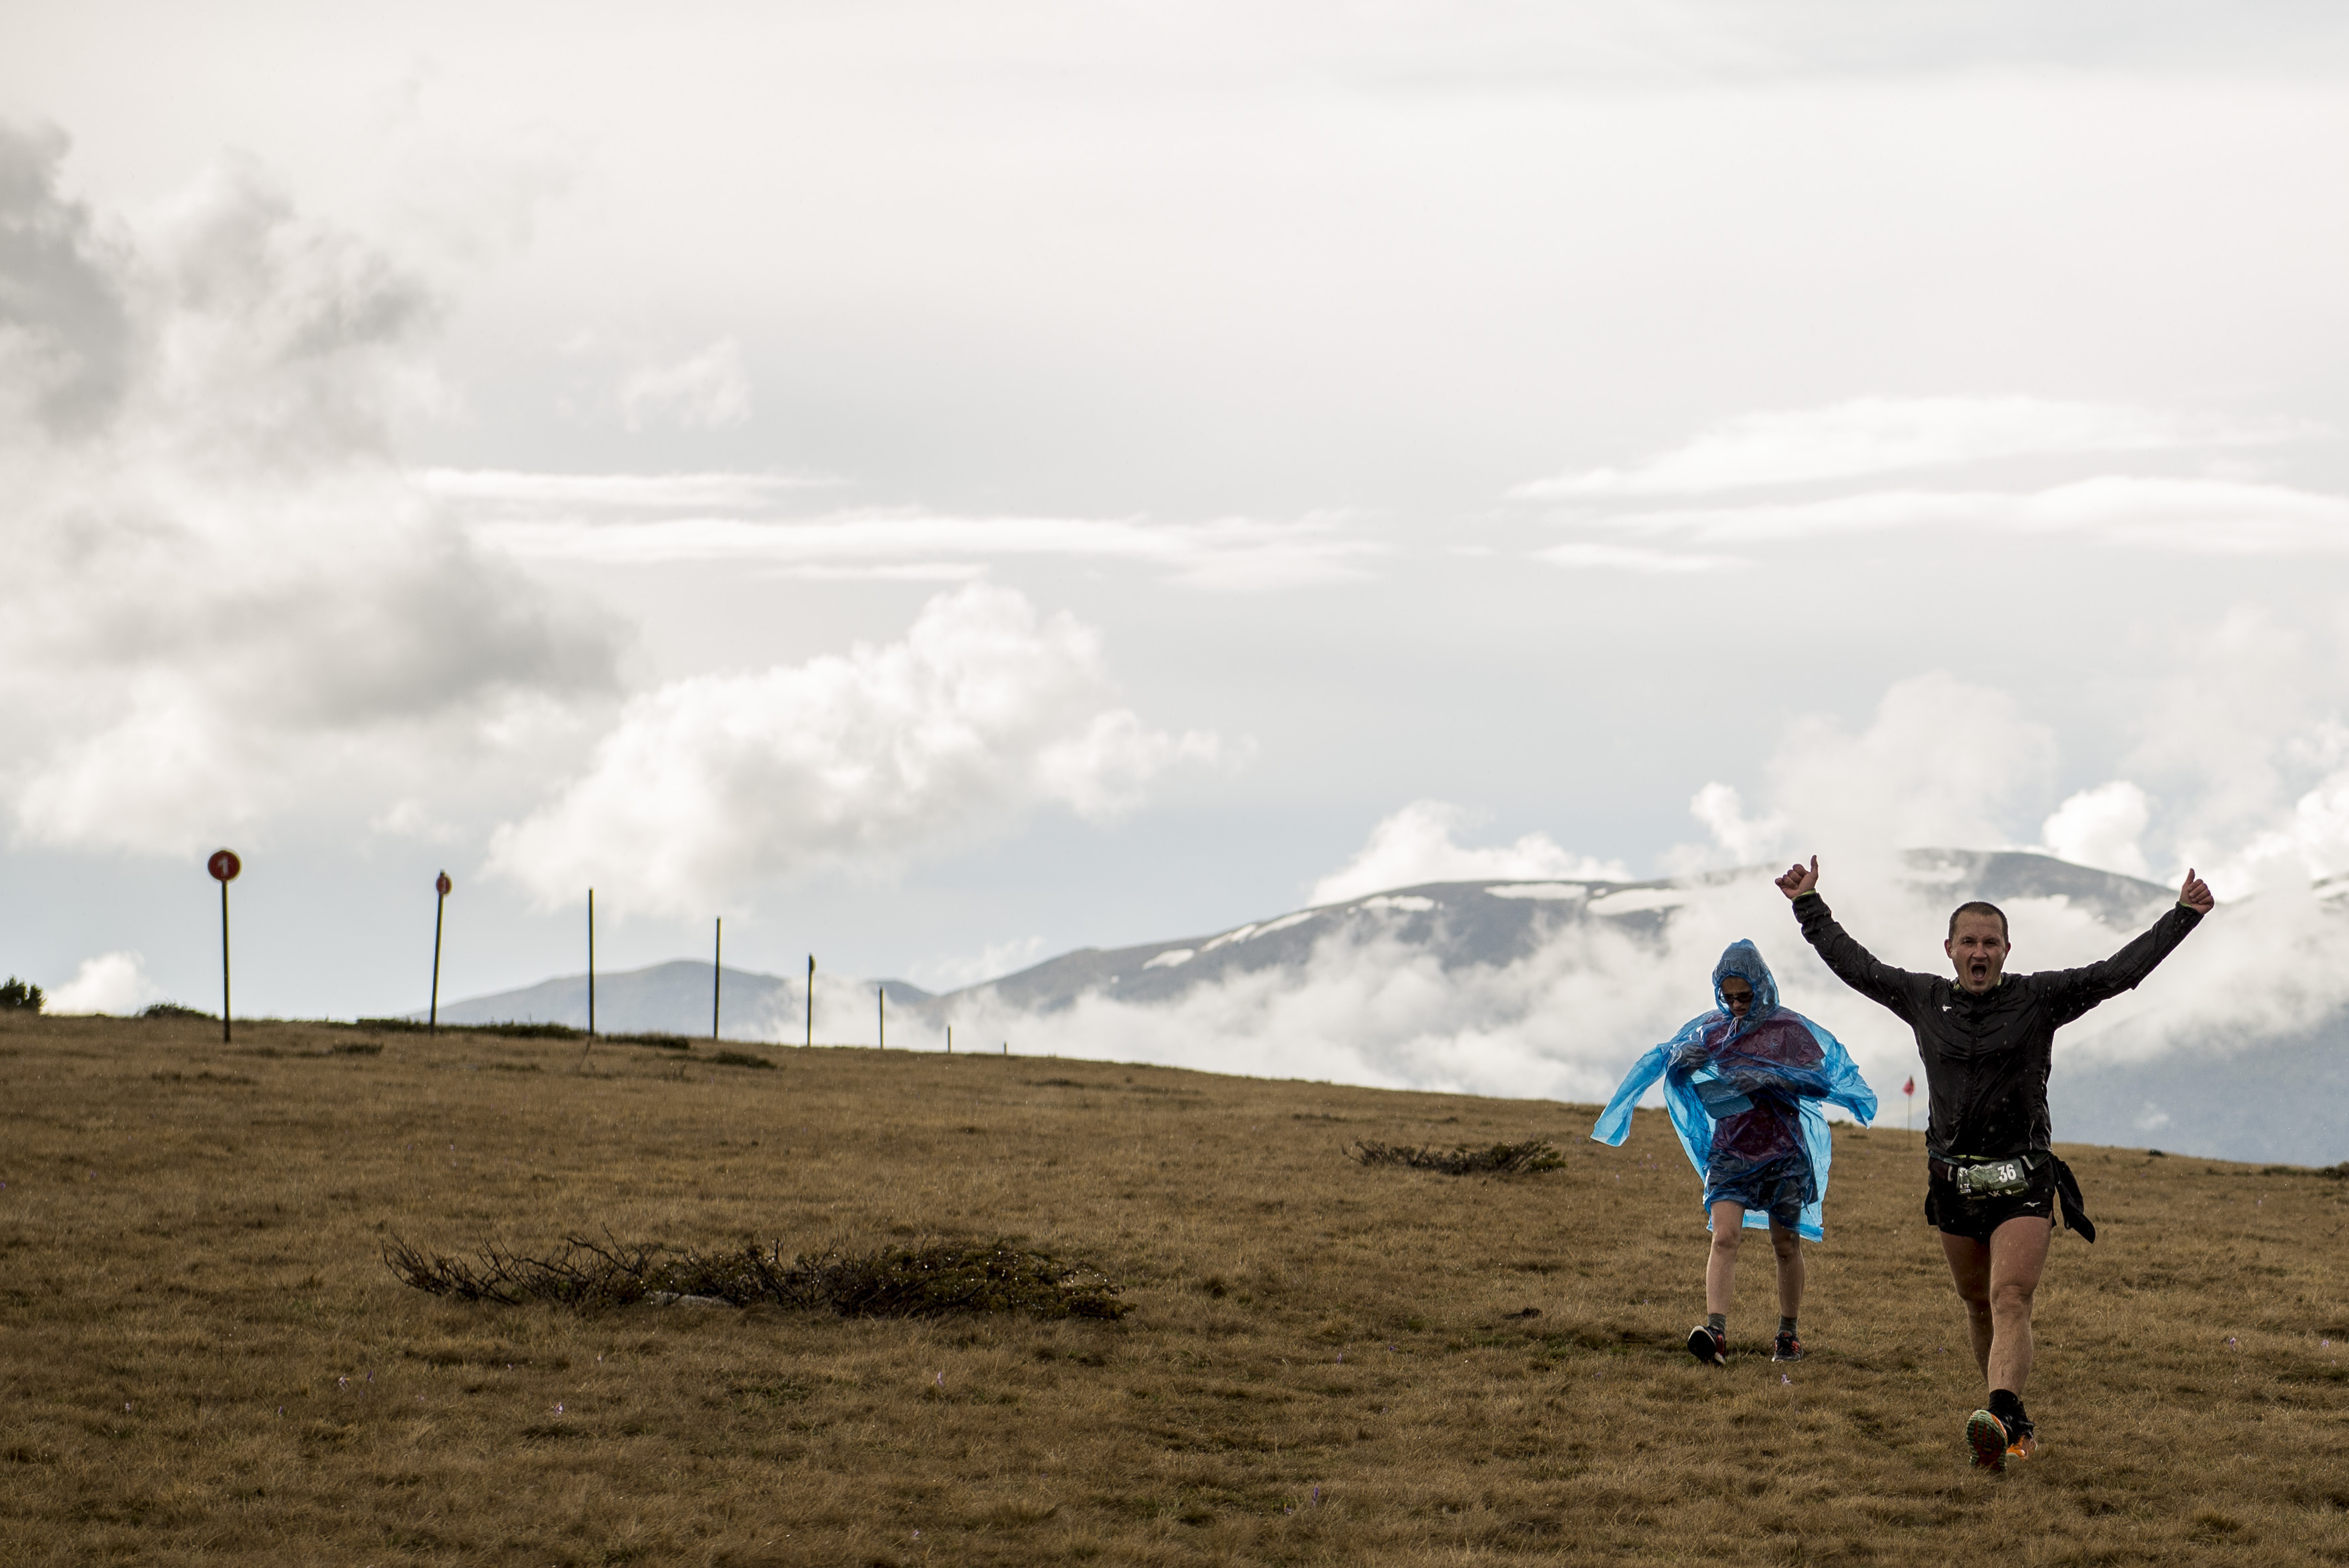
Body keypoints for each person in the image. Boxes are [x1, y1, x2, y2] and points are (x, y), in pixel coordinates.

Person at [1775, 855, 2214, 1471]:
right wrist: (1808, 905)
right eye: (1969, 942)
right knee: (1978, 1303)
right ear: (1950, 949)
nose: (1979, 952)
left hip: (2023, 1179)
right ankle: (2013, 1420)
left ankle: (2000, 1412)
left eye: (1990, 943)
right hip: (1951, 1181)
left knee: (2010, 1298)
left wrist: (2183, 916)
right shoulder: (1924, 998)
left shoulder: (2041, 998)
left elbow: (2117, 973)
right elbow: (1858, 967)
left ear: (2007, 950)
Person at [1593, 940, 1877, 1366]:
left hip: (1785, 1153)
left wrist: (1769, 1077)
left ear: (1762, 987)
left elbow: (1821, 1083)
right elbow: (1675, 1063)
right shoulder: (1712, 1031)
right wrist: (1682, 1060)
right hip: (1729, 1152)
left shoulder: (1790, 1030)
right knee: (1724, 1237)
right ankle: (1716, 1332)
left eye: (1744, 996)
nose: (1737, 1005)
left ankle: (1788, 1335)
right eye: (1728, 998)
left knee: (1786, 1244)